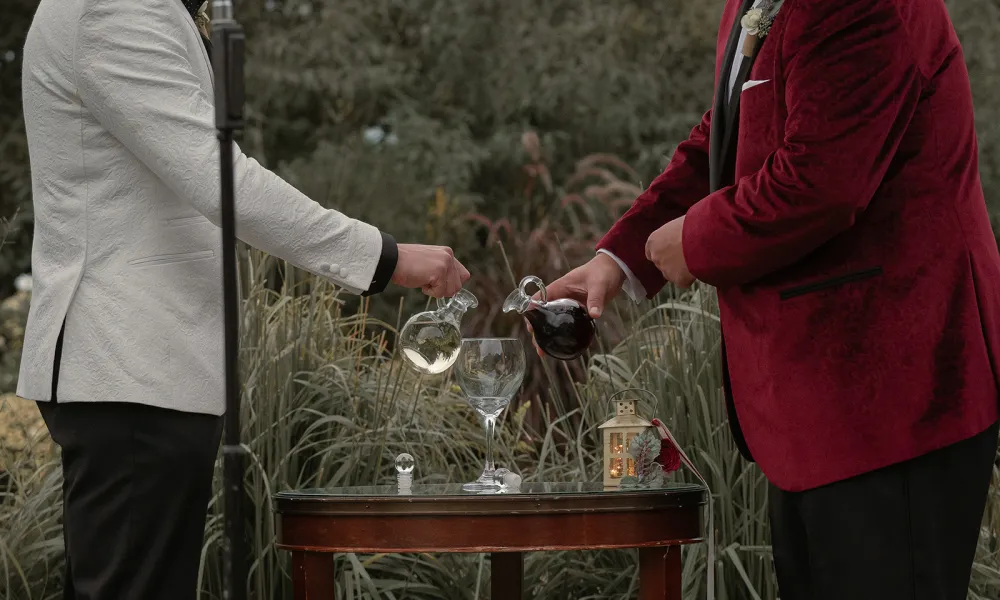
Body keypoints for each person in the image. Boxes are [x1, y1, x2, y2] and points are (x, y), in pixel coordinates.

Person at [540, 0, 1000, 598]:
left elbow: (821, 183)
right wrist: (618, 259)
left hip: (893, 402)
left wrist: (696, 242)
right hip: (810, 408)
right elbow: (727, 135)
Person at [16, 0, 469, 598]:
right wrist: (383, 257)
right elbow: (221, 179)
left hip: (143, 367)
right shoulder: (112, 9)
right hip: (131, 363)